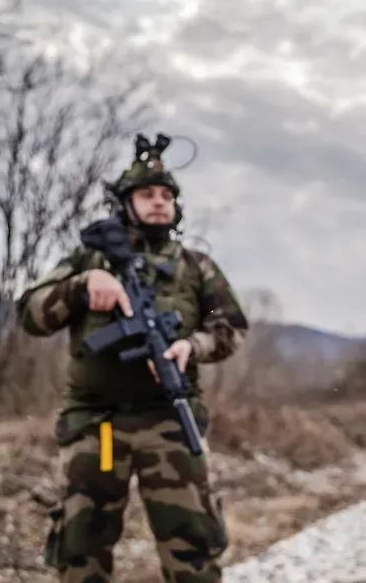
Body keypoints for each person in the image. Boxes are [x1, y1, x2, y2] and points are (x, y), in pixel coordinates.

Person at [16, 134, 249, 582]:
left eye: (167, 195)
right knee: (81, 548)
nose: (158, 203)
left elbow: (230, 326)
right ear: (126, 203)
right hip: (97, 424)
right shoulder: (91, 256)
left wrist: (191, 346)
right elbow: (30, 312)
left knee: (194, 546)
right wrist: (84, 286)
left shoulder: (196, 267)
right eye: (147, 194)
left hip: (169, 421)